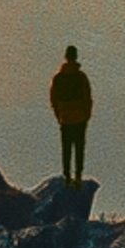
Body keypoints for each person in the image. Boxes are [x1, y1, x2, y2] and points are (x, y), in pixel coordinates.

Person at [49, 45, 93, 184]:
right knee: (79, 147)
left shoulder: (58, 77)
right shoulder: (81, 76)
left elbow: (53, 98)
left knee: (66, 147)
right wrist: (87, 114)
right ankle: (78, 176)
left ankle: (67, 176)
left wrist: (59, 115)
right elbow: (87, 97)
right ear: (76, 56)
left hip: (65, 117)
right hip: (80, 116)